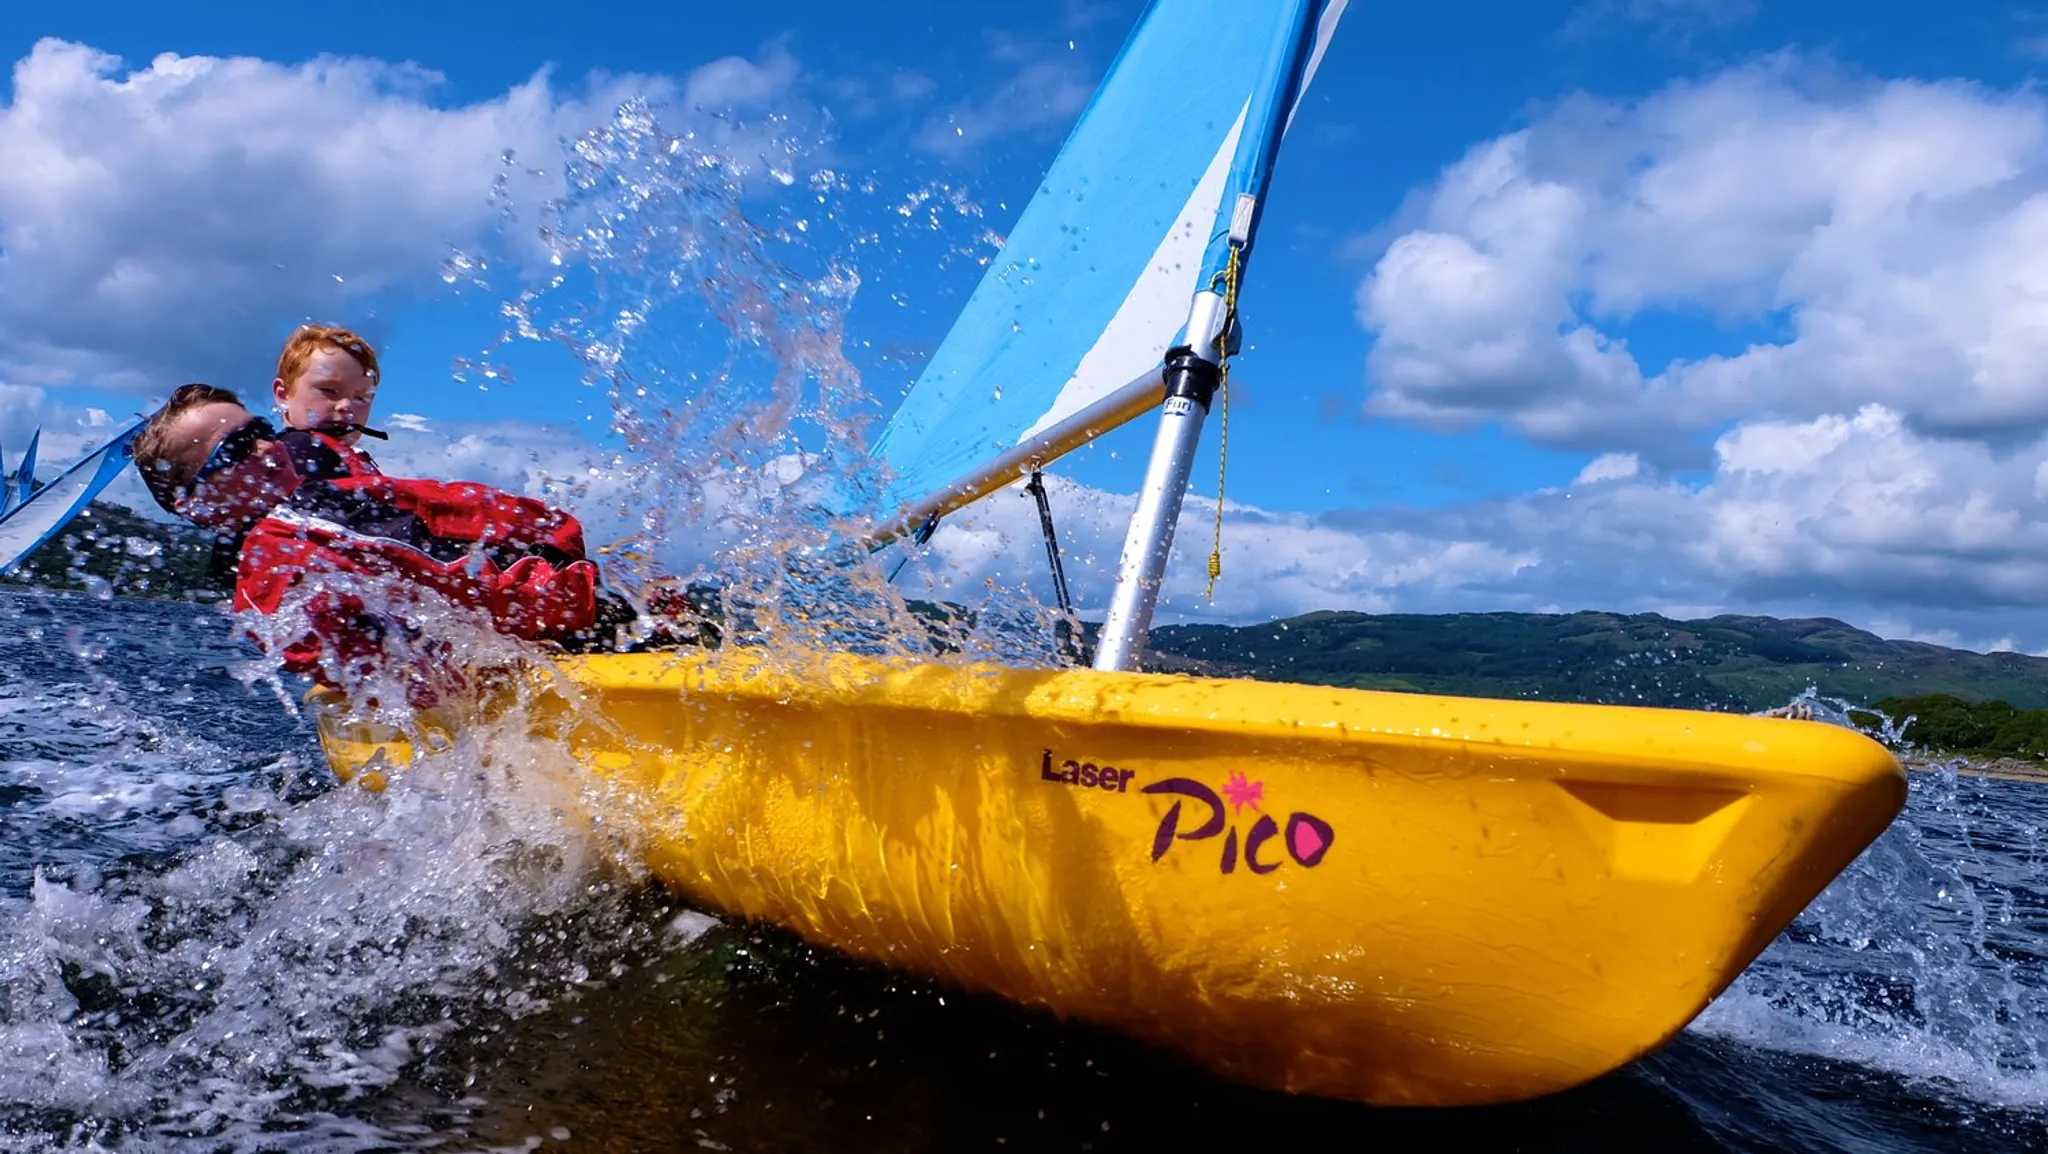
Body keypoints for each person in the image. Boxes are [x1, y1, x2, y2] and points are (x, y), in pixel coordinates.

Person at [134, 383, 633, 704]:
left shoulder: (302, 520)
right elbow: (471, 596)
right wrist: (602, 606)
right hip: (573, 625)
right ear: (195, 506)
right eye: (237, 449)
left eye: (261, 430)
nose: (268, 447)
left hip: (536, 629)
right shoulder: (288, 541)